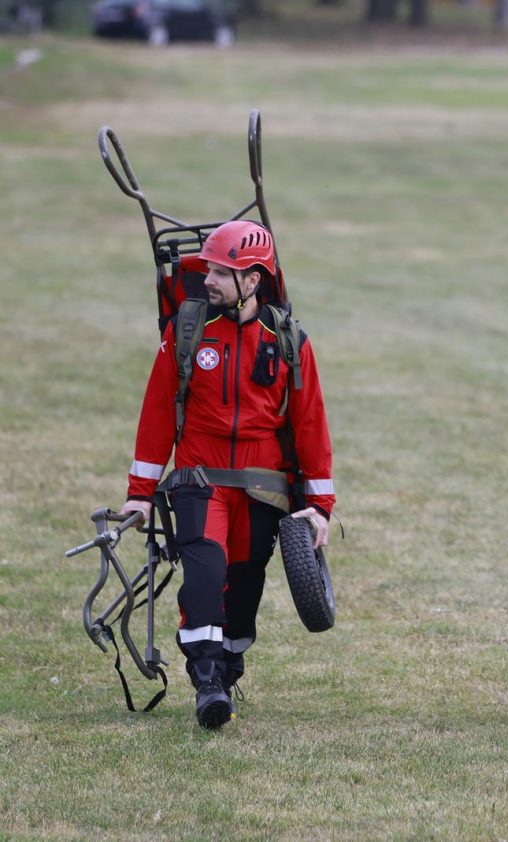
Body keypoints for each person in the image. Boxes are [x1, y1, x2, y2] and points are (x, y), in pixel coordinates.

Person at [119, 220, 335, 730]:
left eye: (221, 272)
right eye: (209, 269)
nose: (208, 279)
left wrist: (320, 507)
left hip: (264, 486)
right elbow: (154, 417)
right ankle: (208, 680)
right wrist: (140, 494)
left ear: (253, 281)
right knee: (205, 575)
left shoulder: (288, 342)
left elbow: (311, 426)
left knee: (242, 588)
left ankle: (230, 661)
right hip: (199, 477)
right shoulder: (186, 332)